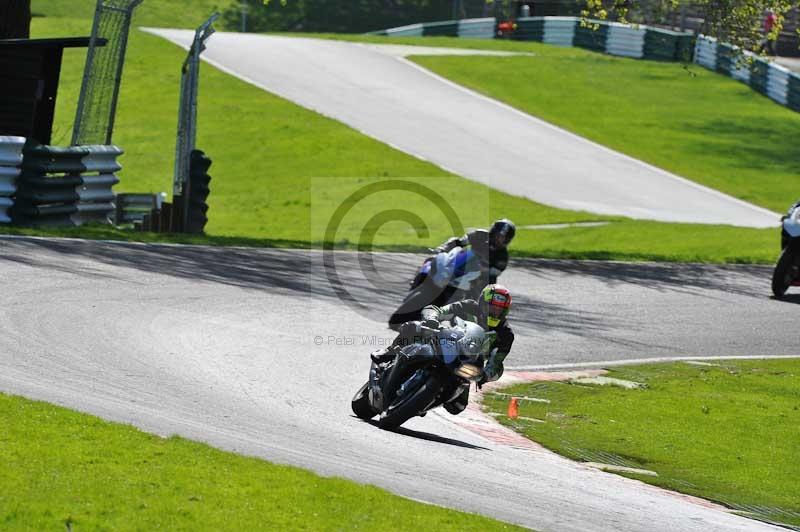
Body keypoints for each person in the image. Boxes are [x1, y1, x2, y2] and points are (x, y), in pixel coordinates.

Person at [373, 284, 515, 415]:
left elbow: (497, 361)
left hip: (467, 362)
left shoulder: (506, 333)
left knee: (457, 406)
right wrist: (432, 319)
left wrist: (486, 374)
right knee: (413, 326)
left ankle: (424, 401)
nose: (496, 311)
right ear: (483, 302)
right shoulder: (468, 306)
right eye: (493, 307)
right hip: (447, 342)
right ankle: (389, 352)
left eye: (500, 309)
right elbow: (439, 310)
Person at [387, 219, 517, 329]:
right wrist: (444, 248)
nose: (501, 239)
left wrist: (484, 271)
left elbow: (492, 275)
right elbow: (459, 242)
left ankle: (466, 326)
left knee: (478, 299)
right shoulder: (479, 235)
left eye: (504, 238)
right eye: (500, 235)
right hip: (461, 266)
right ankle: (416, 284)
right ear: (494, 231)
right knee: (431, 261)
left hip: (477, 279)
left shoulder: (502, 257)